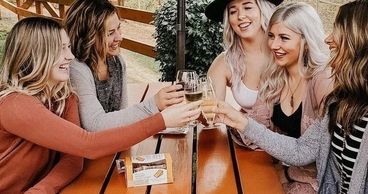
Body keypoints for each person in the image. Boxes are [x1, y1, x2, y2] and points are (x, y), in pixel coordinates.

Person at [0, 17, 201, 193]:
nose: (70, 56)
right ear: (36, 54)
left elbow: (74, 158)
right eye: (61, 49)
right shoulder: (14, 103)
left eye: (68, 47)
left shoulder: (65, 95)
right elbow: (88, 145)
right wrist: (161, 121)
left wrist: (42, 190)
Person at [214, 0, 368, 193]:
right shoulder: (345, 99)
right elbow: (302, 150)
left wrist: (288, 174)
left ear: (362, 43)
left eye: (337, 30)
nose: (327, 39)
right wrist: (241, 122)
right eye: (271, 36)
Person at [233, 2, 332, 193]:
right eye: (271, 36)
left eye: (284, 38)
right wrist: (233, 119)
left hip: (316, 184)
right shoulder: (274, 75)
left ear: (306, 40)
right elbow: (256, 131)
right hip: (279, 171)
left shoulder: (323, 80)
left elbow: (323, 154)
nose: (273, 45)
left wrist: (286, 174)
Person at [64, 0, 184, 131]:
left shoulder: (116, 62)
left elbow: (123, 115)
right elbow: (95, 124)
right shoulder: (77, 68)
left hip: (112, 147)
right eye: (110, 33)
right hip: (86, 150)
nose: (119, 37)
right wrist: (153, 104)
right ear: (89, 36)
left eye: (119, 28)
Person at [205, 0, 282, 112]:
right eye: (233, 11)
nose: (240, 16)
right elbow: (210, 114)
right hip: (245, 128)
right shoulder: (224, 63)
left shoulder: (284, 52)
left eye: (248, 7)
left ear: (263, 10)